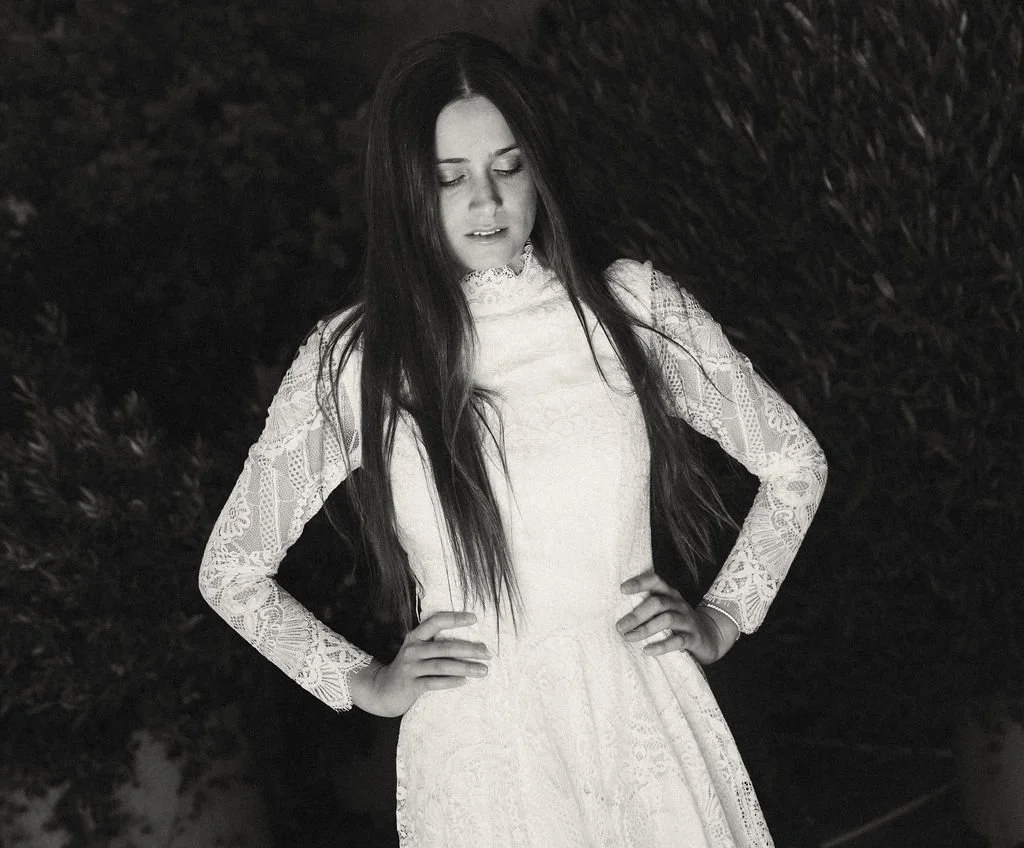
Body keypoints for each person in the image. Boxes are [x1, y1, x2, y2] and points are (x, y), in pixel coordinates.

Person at [199, 31, 827, 848]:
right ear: (406, 190)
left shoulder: (630, 309)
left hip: (642, 721)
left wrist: (723, 616)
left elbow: (795, 464)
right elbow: (232, 570)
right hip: (480, 754)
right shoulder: (358, 361)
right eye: (449, 178)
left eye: (508, 166)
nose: (485, 202)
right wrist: (366, 682)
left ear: (539, 167)